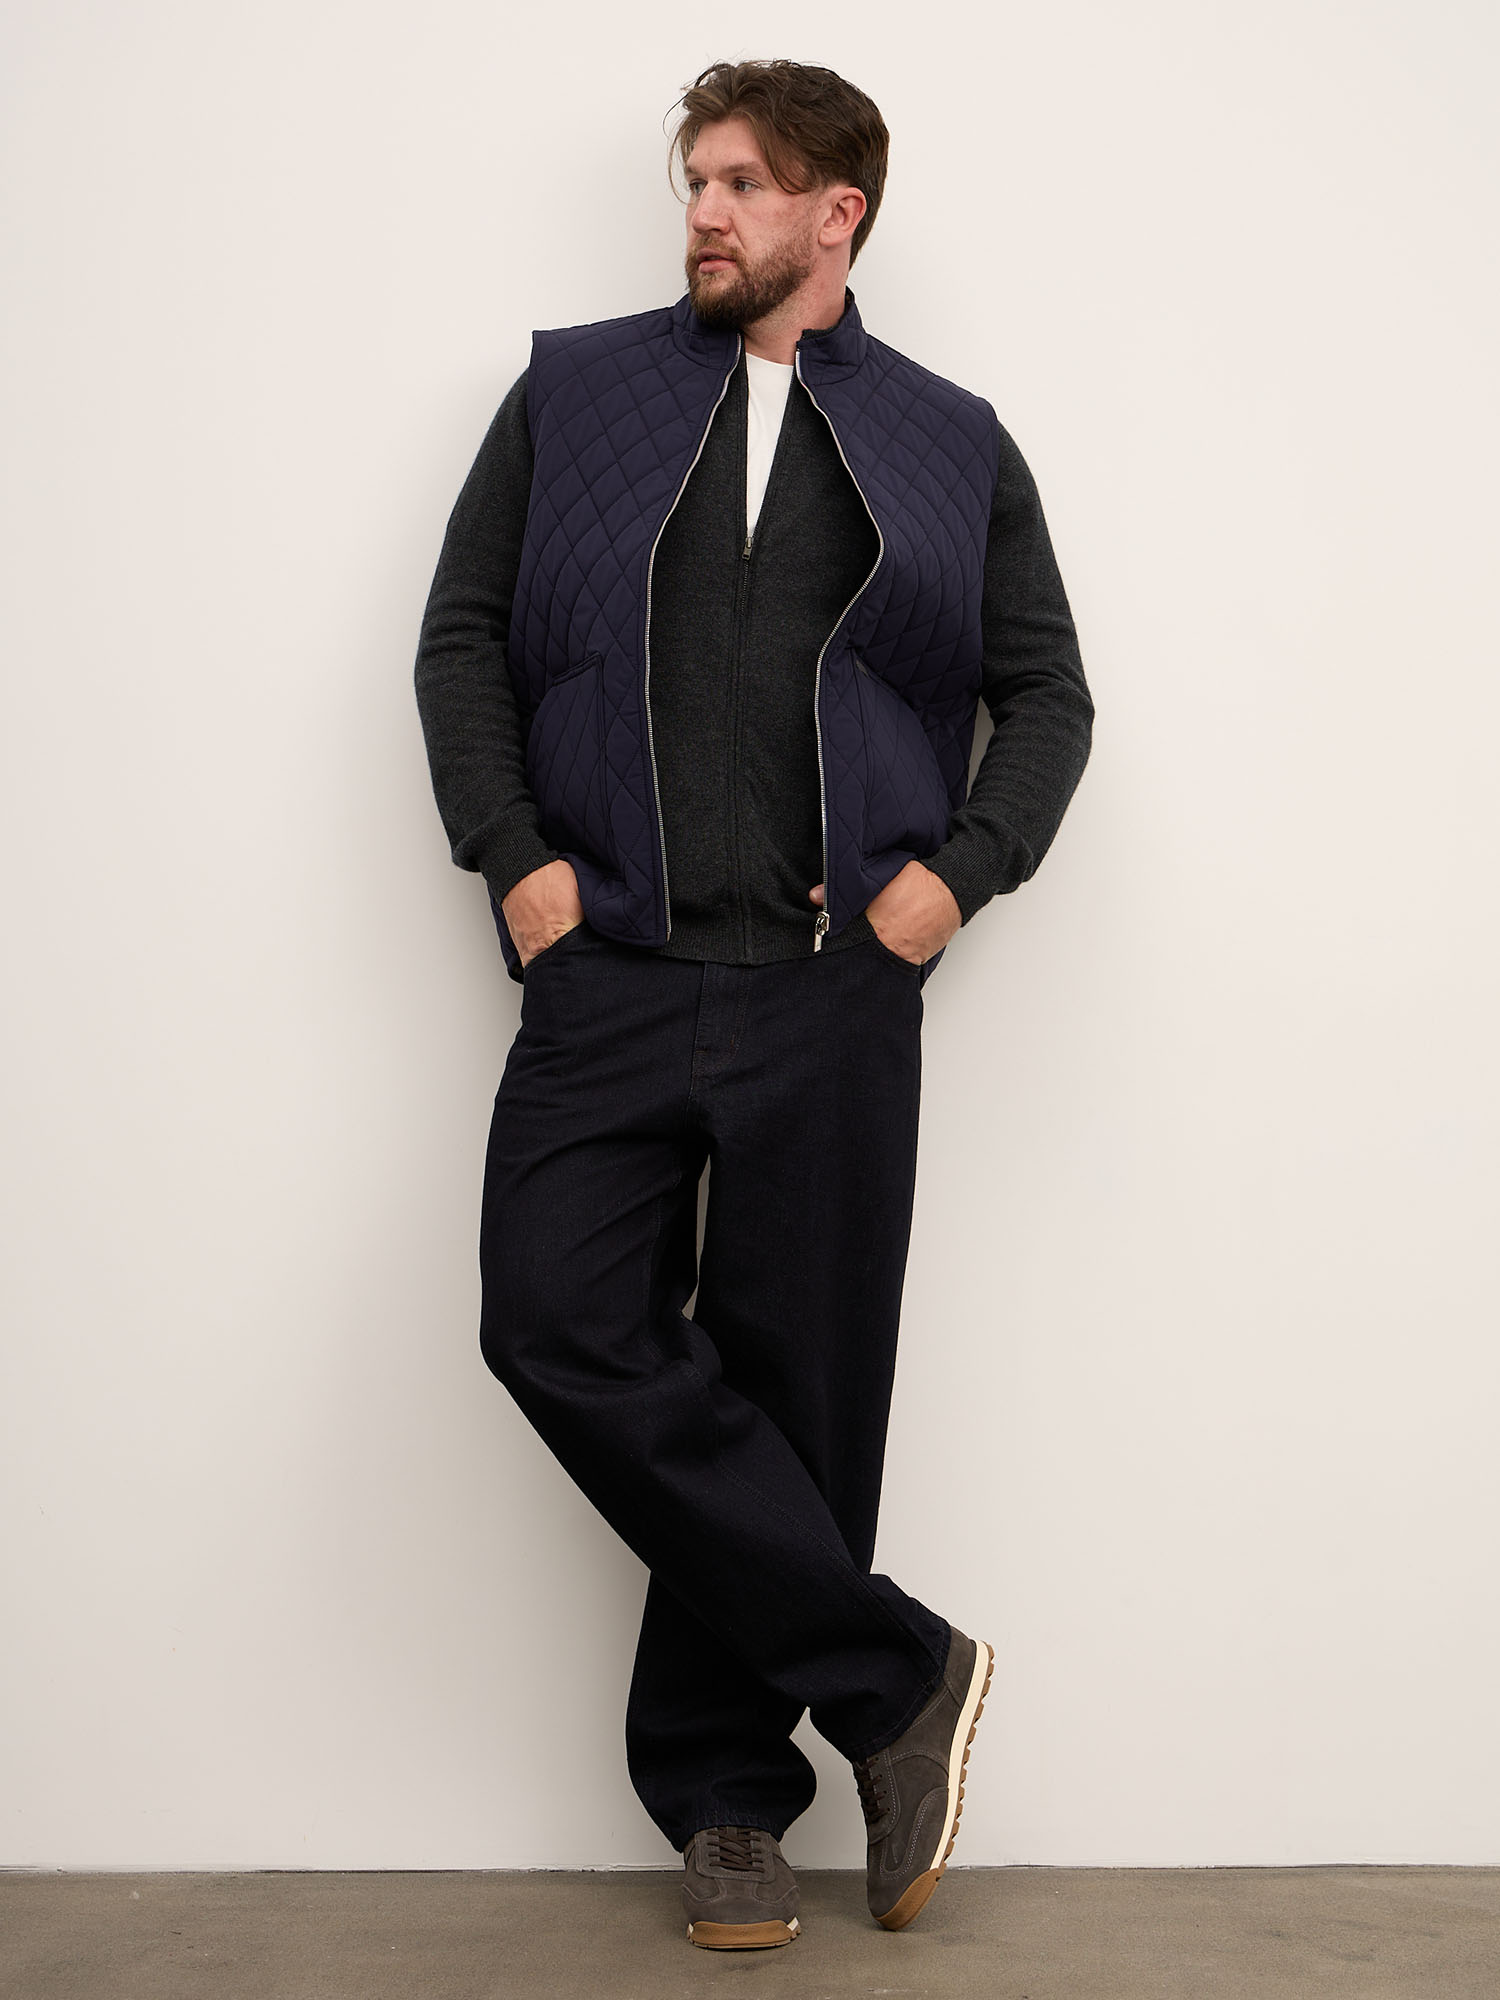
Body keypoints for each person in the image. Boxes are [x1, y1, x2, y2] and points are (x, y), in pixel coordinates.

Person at [413, 57, 1093, 1950]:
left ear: (835, 213)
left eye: (740, 184)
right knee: (551, 1320)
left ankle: (728, 1808)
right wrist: (515, 858)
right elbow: (462, 638)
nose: (703, 213)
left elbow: (1047, 694)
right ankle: (896, 1680)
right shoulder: (575, 395)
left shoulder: (951, 440)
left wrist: (956, 878)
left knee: (800, 1397)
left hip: (831, 992)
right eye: (694, 181)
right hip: (610, 972)